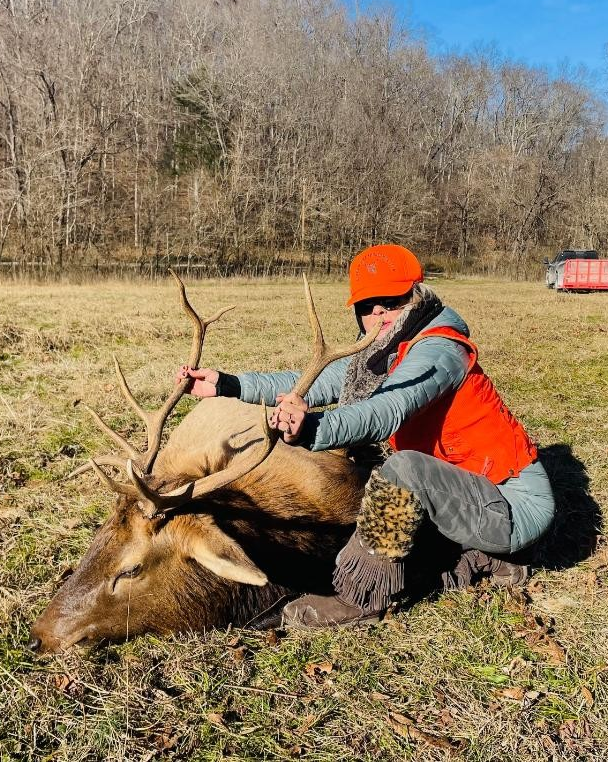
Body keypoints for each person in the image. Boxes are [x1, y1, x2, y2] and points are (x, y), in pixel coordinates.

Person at [179, 244, 555, 627]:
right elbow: (310, 383)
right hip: (464, 489)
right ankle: (484, 556)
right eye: (367, 303)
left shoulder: (440, 349)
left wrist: (312, 428)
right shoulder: (381, 354)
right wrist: (228, 384)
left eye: (391, 300)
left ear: (416, 296)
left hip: (510, 506)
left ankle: (361, 596)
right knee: (372, 471)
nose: (377, 311)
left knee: (403, 472)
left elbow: (388, 410)